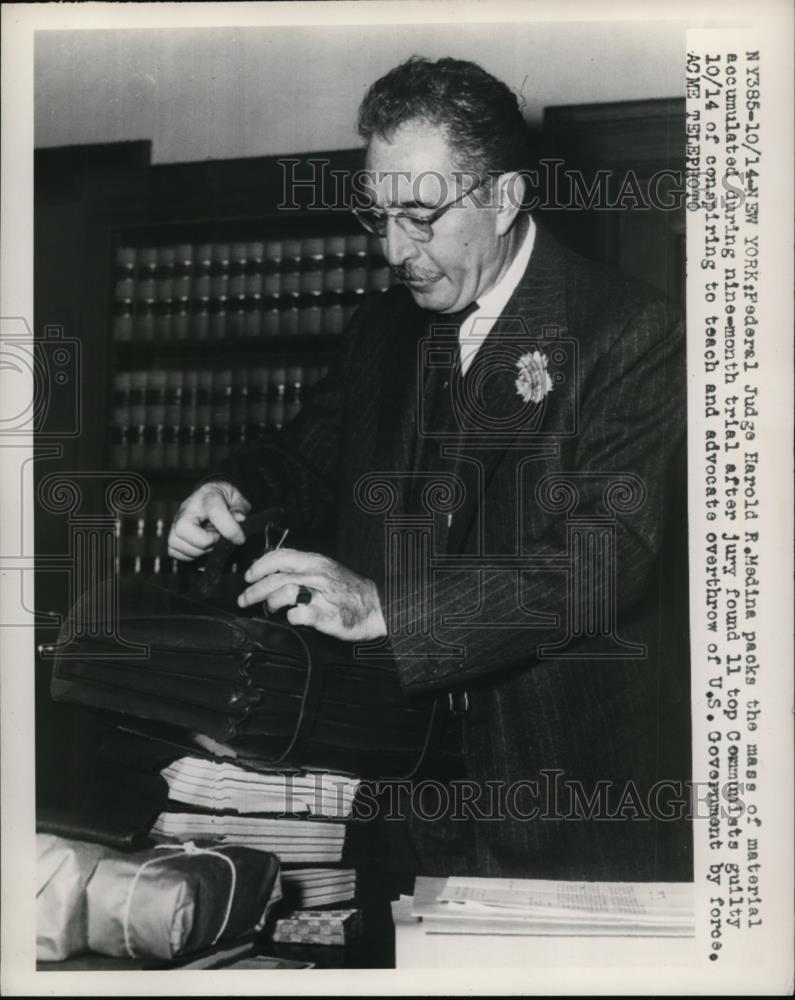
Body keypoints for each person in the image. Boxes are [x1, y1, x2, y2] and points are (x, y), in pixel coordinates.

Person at [168, 56, 691, 882]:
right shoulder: (383, 327)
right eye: (376, 216)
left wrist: (386, 609)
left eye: (420, 215)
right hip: (392, 793)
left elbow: (601, 562)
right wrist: (237, 489)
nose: (392, 250)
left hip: (555, 806)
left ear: (506, 198)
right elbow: (306, 456)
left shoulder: (629, 333)